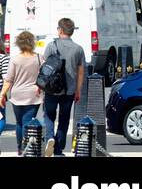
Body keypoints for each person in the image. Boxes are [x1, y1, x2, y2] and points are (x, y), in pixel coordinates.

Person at [40, 18, 85, 156]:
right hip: (69, 90)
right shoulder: (78, 49)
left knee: (49, 115)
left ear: (60, 30)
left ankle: (49, 138)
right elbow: (81, 72)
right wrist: (78, 90)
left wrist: (40, 87)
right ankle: (58, 149)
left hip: (51, 89)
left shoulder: (51, 46)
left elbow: (45, 68)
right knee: (64, 119)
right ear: (71, 31)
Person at [1, 30, 42, 154]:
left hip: (17, 95)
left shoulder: (15, 59)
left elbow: (8, 80)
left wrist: (2, 94)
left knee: (19, 122)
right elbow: (44, 75)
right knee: (28, 121)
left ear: (19, 43)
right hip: (33, 95)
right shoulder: (39, 58)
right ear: (32, 42)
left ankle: (20, 147)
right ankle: (26, 148)